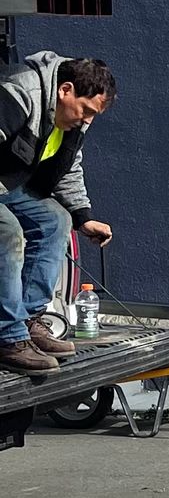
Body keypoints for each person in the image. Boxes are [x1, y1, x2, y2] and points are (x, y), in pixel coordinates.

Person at [0, 52, 116, 377]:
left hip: (7, 185)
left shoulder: (68, 116)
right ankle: (7, 338)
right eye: (86, 111)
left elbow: (68, 166)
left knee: (55, 220)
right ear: (65, 90)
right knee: (6, 229)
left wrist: (83, 215)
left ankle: (27, 321)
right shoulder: (21, 93)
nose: (85, 121)